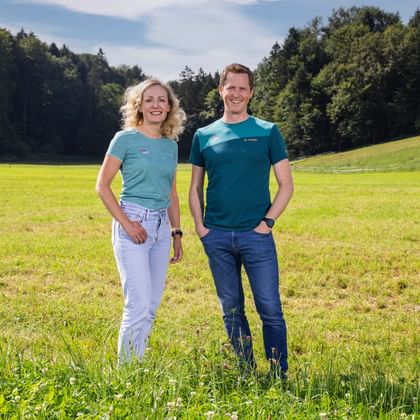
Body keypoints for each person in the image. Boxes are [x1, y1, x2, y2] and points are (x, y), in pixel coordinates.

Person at [189, 63, 294, 378]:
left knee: (270, 310)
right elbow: (194, 187)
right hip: (216, 236)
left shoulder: (267, 131)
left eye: (242, 88)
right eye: (230, 87)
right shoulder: (203, 135)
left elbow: (286, 186)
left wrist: (268, 223)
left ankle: (278, 374)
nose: (236, 93)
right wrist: (200, 228)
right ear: (221, 90)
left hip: (256, 235)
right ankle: (246, 371)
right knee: (231, 311)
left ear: (250, 93)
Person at [96, 78, 185, 363]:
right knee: (137, 304)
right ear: (139, 105)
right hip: (133, 223)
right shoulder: (125, 139)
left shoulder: (170, 146)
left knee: (151, 306)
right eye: (149, 100)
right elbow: (102, 185)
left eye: (162, 100)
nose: (156, 105)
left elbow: (171, 191)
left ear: (169, 106)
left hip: (160, 229)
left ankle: (138, 365)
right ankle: (126, 375)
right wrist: (127, 223)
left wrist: (177, 232)